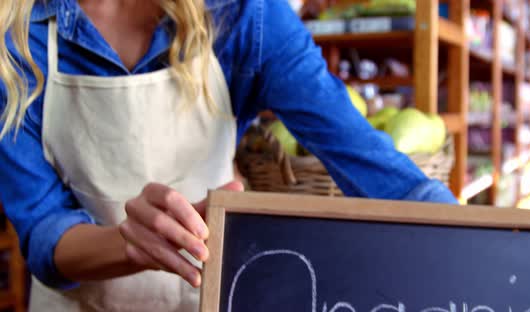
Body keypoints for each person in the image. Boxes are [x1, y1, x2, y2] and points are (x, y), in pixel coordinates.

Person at [0, 0, 457, 311]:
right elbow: (42, 229)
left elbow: (369, 162)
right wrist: (127, 242)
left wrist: (489, 250)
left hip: (211, 296)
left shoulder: (243, 14)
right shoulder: (15, 32)